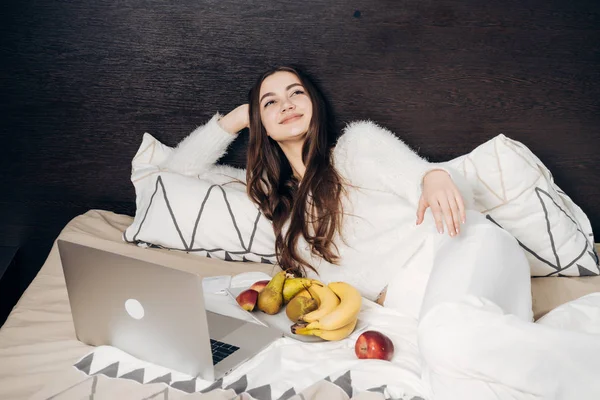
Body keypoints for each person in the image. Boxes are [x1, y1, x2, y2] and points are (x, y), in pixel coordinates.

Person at [161, 66, 600, 399]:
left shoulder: (357, 146)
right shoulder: (272, 201)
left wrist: (433, 178)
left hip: (462, 248)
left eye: (296, 93)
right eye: (271, 102)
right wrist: (239, 118)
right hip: (425, 310)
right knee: (449, 382)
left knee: (445, 335)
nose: (287, 104)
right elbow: (176, 174)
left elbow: (418, 176)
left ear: (315, 103)